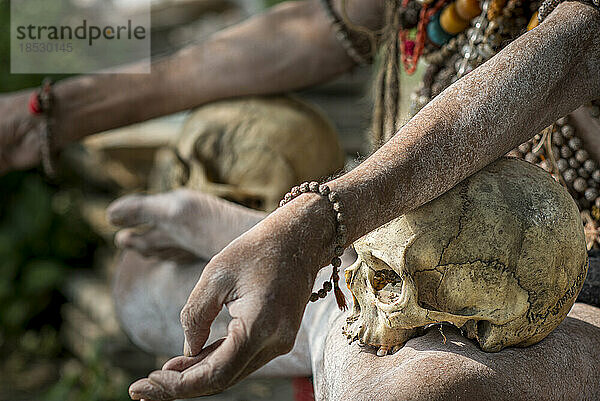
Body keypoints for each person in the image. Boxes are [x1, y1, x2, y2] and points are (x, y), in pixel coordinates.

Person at [1, 0, 600, 399]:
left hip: (571, 288)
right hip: (382, 244)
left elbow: (562, 54)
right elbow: (307, 32)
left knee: (407, 388)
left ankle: (322, 313)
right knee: (141, 281)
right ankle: (328, 301)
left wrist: (315, 226)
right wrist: (60, 111)